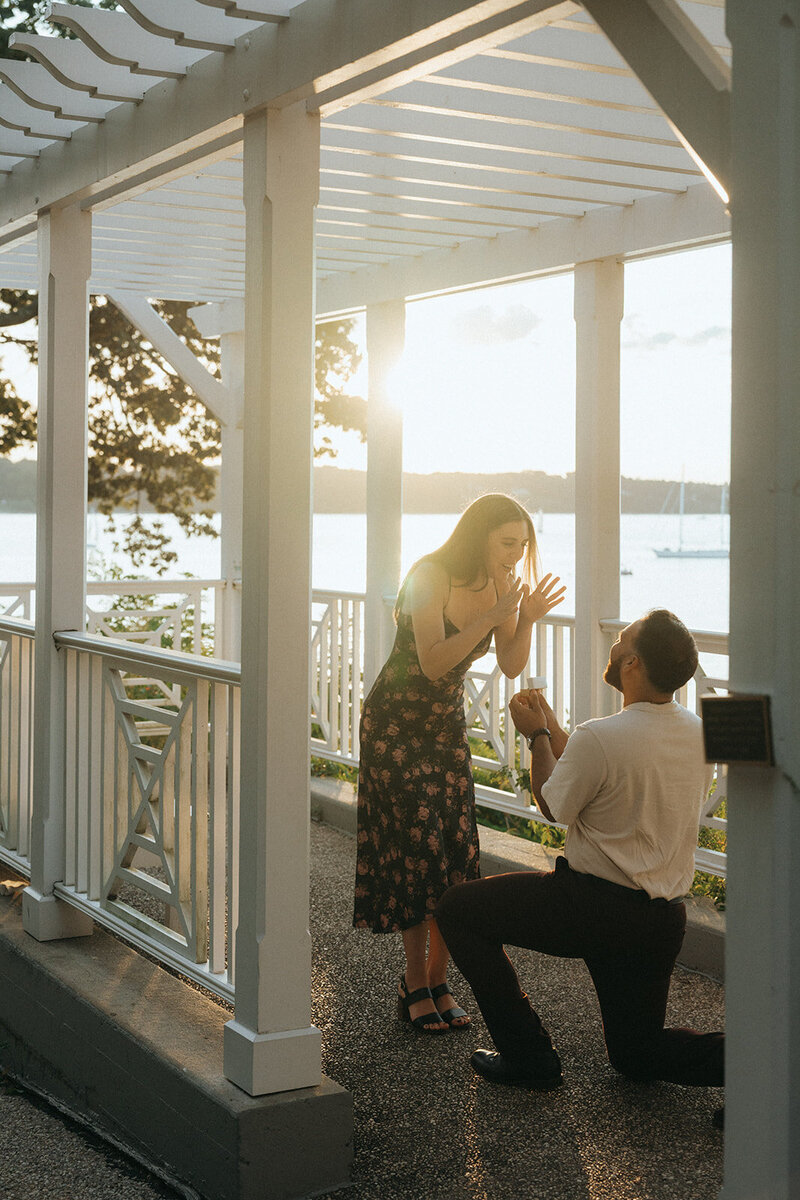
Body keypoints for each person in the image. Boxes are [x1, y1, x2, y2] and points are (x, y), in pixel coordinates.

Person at [435, 609, 725, 1091]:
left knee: (457, 910)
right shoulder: (696, 731)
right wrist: (550, 723)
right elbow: (598, 769)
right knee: (637, 1054)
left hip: (590, 908)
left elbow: (554, 803)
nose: (614, 645)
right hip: (660, 920)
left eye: (622, 638)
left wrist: (536, 736)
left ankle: (528, 1057)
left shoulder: (603, 735)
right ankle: (760, 1059)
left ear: (632, 663)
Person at [353, 494, 566, 1035]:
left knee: (454, 848)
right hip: (394, 725)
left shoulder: (503, 585)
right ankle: (414, 982)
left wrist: (525, 618)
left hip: (443, 727)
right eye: (507, 543)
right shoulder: (430, 575)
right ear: (479, 536)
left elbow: (511, 664)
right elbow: (432, 663)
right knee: (416, 850)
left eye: (522, 545)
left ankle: (438, 978)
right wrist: (493, 615)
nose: (515, 554)